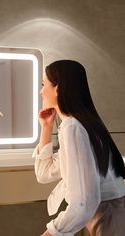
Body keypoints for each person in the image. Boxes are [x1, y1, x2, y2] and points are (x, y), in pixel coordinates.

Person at [33, 60, 125, 236]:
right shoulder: (78, 125)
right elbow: (44, 173)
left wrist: (52, 232)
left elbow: (84, 202)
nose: (41, 91)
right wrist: (46, 128)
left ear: (58, 88)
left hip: (110, 216)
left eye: (44, 84)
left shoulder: (73, 128)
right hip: (112, 213)